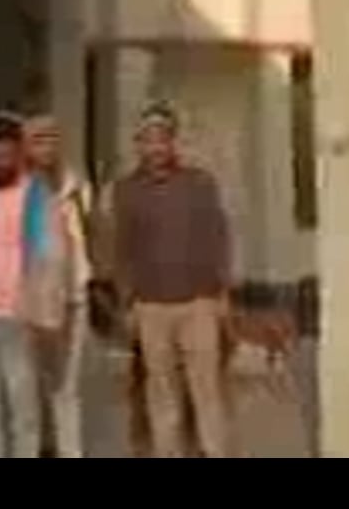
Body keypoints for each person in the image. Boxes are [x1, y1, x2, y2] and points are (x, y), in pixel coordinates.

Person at [111, 102, 233, 459]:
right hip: (150, 305)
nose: (155, 147)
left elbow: (218, 237)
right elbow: (123, 249)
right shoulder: (126, 190)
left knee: (206, 388)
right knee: (162, 391)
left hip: (199, 302)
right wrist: (127, 302)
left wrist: (223, 294)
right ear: (138, 144)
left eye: (161, 139)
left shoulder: (200, 183)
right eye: (147, 140)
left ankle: (214, 451)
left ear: (172, 142)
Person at [0, 111, 71, 459]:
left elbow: (54, 256)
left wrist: (45, 310)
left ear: (19, 154)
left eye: (6, 156)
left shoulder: (38, 195)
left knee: (24, 411)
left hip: (21, 316)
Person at [22, 111, 93, 459]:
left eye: (51, 137)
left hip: (74, 299)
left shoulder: (77, 187)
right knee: (29, 388)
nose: (46, 146)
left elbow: (91, 236)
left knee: (67, 387)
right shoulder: (17, 190)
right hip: (30, 301)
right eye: (37, 139)